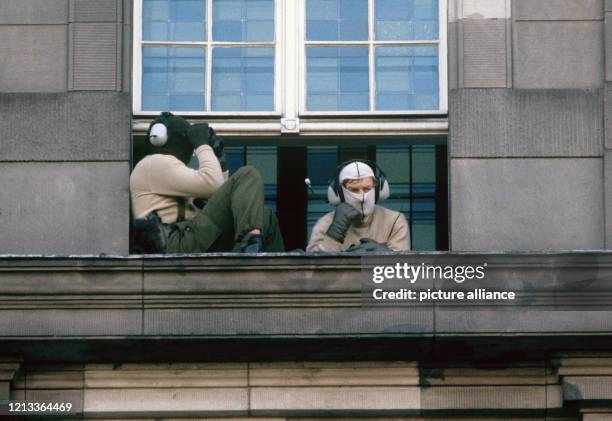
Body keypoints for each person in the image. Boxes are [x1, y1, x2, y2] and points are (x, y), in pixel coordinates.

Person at [130, 112, 284, 253]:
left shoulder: (167, 172)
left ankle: (274, 266)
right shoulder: (153, 163)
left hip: (190, 238)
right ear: (161, 138)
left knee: (265, 216)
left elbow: (218, 196)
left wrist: (220, 164)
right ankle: (251, 246)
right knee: (248, 174)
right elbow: (212, 184)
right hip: (174, 240)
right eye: (187, 140)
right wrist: (202, 145)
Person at [307, 160, 410, 252]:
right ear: (339, 194)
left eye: (367, 189)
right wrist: (334, 233)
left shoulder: (395, 220)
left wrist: (386, 256)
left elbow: (401, 269)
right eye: (354, 190)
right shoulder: (325, 223)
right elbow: (312, 268)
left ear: (378, 191)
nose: (362, 197)